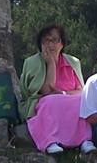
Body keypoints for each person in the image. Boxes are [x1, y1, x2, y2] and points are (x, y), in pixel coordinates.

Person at [20, 23, 92, 154]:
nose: (50, 44)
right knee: (51, 101)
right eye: (46, 40)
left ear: (62, 43)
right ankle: (50, 141)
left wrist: (64, 93)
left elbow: (82, 90)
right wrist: (51, 64)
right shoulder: (32, 62)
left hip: (69, 99)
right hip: (42, 101)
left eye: (54, 40)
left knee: (81, 101)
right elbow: (46, 91)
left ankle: (85, 140)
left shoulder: (73, 62)